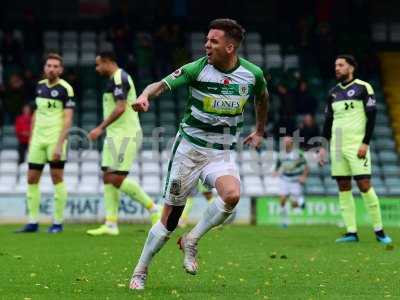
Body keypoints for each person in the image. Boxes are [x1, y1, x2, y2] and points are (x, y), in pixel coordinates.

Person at [129, 18, 268, 290]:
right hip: (189, 152)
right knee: (169, 221)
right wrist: (145, 96)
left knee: (232, 196)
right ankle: (140, 269)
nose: (206, 45)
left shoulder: (253, 74)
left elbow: (262, 98)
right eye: (206, 40)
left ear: (230, 47)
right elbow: (159, 84)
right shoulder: (197, 69)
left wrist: (260, 129)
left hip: (222, 153)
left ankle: (191, 240)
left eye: (213, 41)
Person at [86, 52, 161, 236]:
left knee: (116, 179)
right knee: (107, 177)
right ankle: (111, 224)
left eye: (98, 65)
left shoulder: (120, 77)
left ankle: (154, 209)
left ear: (107, 62)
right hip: (114, 136)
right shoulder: (114, 79)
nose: (97, 69)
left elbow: (120, 107)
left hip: (125, 135)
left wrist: (100, 128)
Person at [319, 54, 392, 244]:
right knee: (343, 187)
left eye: (341, 65)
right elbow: (328, 122)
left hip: (356, 145)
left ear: (351, 67)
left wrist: (365, 142)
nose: (337, 68)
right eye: (335, 65)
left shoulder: (363, 87)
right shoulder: (333, 92)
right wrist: (323, 146)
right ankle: (351, 232)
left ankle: (379, 230)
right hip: (337, 146)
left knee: (364, 185)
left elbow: (372, 116)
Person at [16, 53, 75, 233]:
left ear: (61, 69)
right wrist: (33, 136)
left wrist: (59, 144)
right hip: (38, 140)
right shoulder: (39, 86)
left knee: (57, 178)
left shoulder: (66, 89)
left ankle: (57, 223)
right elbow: (37, 113)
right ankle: (33, 222)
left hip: (54, 140)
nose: (52, 69)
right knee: (31, 179)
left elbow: (67, 120)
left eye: (56, 66)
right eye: (49, 65)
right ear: (44, 68)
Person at [273, 136, 308, 227]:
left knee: (295, 204)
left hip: (295, 180)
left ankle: (300, 201)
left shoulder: (298, 154)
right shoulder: (281, 154)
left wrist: (303, 176)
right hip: (284, 179)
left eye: (286, 142)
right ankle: (284, 222)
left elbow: (306, 166)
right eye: (283, 142)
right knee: (282, 199)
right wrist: (275, 172)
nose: (284, 144)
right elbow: (278, 165)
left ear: (291, 143)